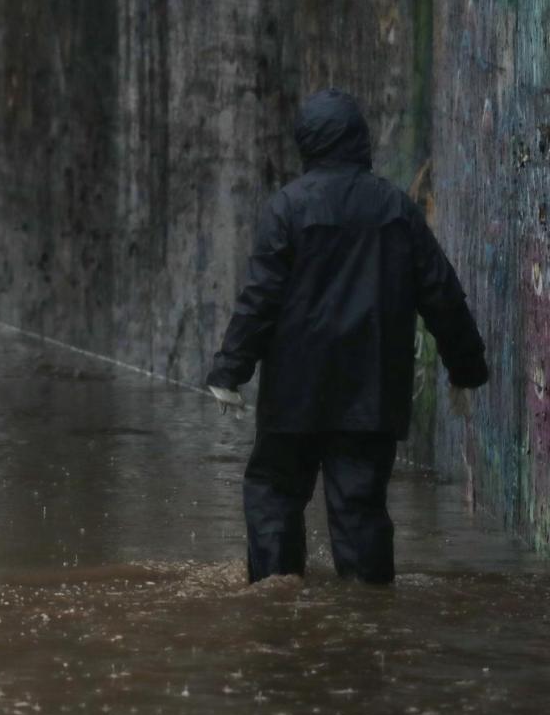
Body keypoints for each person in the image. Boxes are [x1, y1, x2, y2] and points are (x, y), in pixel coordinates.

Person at [207, 88, 487, 584]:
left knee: (273, 495)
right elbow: (442, 294)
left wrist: (231, 369)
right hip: (371, 393)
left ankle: (276, 605)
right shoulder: (396, 209)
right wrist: (465, 369)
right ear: (359, 139)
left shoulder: (287, 209)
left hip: (294, 394)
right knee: (359, 509)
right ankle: (368, 620)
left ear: (307, 143)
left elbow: (260, 299)